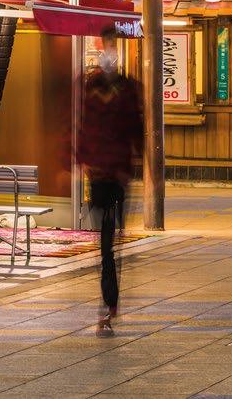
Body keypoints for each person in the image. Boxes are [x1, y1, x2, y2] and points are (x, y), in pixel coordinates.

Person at [76, 26, 144, 337]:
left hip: (117, 173)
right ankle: (108, 303)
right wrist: (81, 159)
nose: (109, 52)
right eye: (107, 45)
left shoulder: (127, 88)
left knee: (111, 240)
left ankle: (109, 304)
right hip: (102, 173)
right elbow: (83, 127)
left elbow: (135, 128)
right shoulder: (91, 86)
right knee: (106, 243)